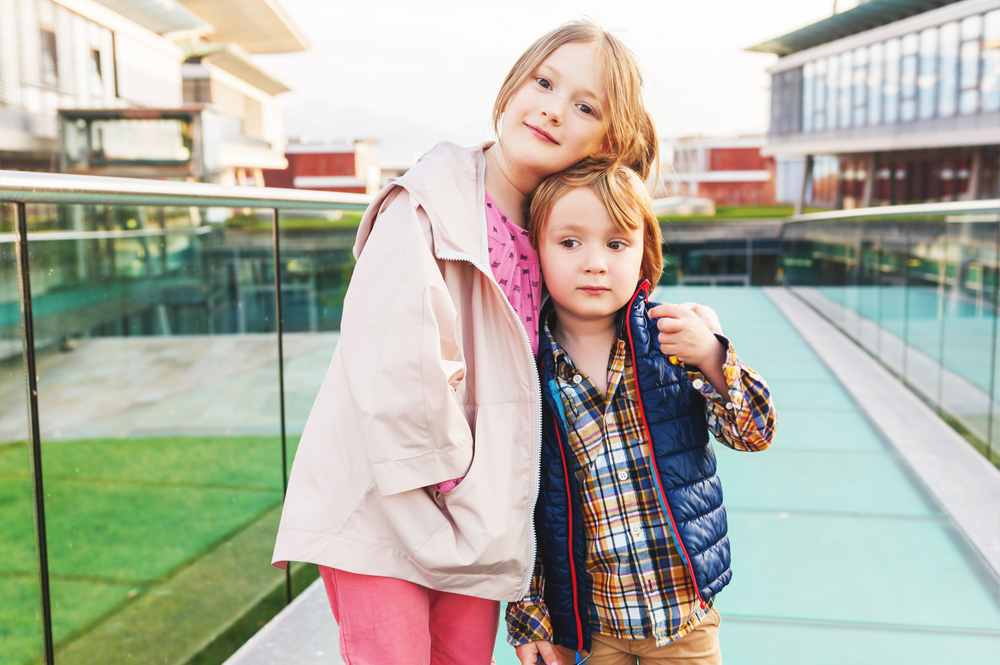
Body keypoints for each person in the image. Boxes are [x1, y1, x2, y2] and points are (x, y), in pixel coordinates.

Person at [271, 20, 659, 665]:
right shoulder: (425, 205)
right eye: (544, 82)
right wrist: (462, 480)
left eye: (584, 106)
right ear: (513, 84)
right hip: (387, 507)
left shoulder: (556, 231)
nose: (553, 109)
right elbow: (394, 368)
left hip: (476, 520)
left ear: (606, 140)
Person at [507, 163, 776, 665]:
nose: (594, 263)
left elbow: (756, 432)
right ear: (534, 252)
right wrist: (529, 612)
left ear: (642, 254)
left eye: (616, 244)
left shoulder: (672, 341)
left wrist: (713, 358)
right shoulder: (525, 369)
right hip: (589, 627)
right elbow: (521, 507)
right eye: (569, 243)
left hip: (684, 619)